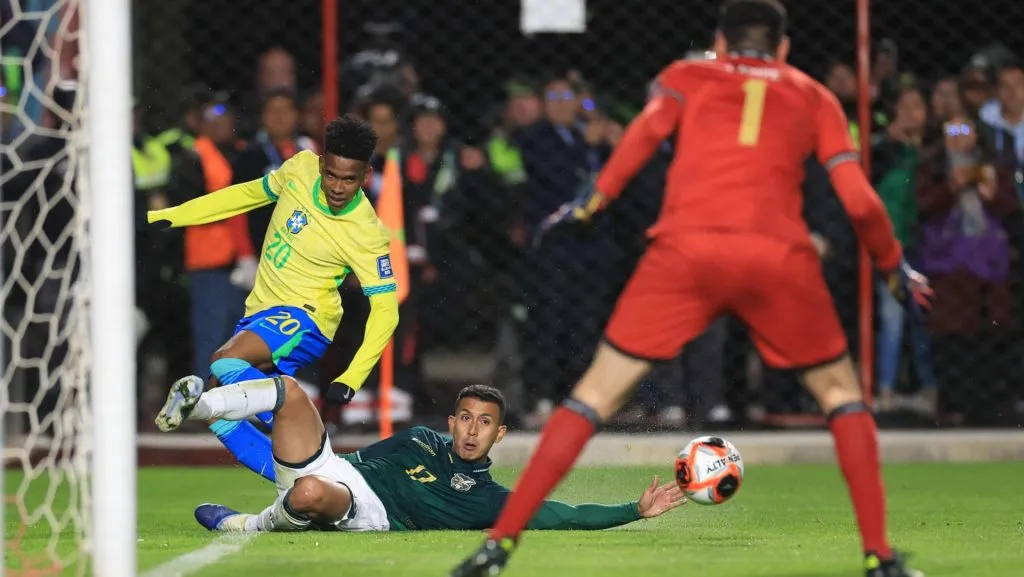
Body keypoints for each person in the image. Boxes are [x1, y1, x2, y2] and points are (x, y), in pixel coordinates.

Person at [451, 2, 930, 577]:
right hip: (777, 257)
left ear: (721, 44)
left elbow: (643, 136)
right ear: (781, 49)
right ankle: (880, 558)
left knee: (594, 395)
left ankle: (498, 548)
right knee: (841, 397)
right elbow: (859, 199)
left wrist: (594, 198)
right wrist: (892, 266)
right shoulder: (814, 95)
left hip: (685, 253)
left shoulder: (687, 76)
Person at [148, 115, 400, 482]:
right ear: (320, 163)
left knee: (224, 361)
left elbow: (386, 311)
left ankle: (307, 432)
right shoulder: (298, 169)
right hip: (261, 313)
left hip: (308, 319)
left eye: (350, 179)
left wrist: (353, 375)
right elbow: (247, 194)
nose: (338, 187)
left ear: (365, 177)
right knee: (224, 407)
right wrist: (176, 215)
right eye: (331, 174)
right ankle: (301, 481)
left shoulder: (367, 232)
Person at [156, 379, 685, 533]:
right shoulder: (416, 439)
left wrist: (632, 511)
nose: (473, 429)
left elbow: (565, 515)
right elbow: (357, 463)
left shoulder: (485, 500)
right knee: (290, 391)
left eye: (486, 422)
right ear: (452, 421)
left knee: (310, 492)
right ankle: (200, 403)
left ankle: (251, 526)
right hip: (335, 469)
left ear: (499, 435)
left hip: (361, 512)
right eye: (466, 418)